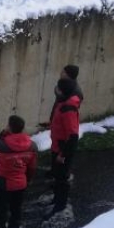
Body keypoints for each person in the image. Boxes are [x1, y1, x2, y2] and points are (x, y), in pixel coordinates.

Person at [0, 115, 38, 228]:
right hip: (20, 184)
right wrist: (28, 180)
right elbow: (32, 167)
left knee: (1, 211)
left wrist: (3, 133)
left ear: (9, 127)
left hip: (3, 184)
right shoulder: (32, 146)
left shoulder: (3, 145)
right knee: (16, 210)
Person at [45, 78, 81, 218]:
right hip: (57, 146)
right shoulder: (63, 103)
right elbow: (61, 123)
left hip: (63, 150)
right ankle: (56, 200)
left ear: (62, 90)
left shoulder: (68, 108)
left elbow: (72, 136)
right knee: (57, 175)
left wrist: (63, 154)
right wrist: (51, 125)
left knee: (62, 178)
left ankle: (60, 207)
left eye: (58, 87)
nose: (56, 89)